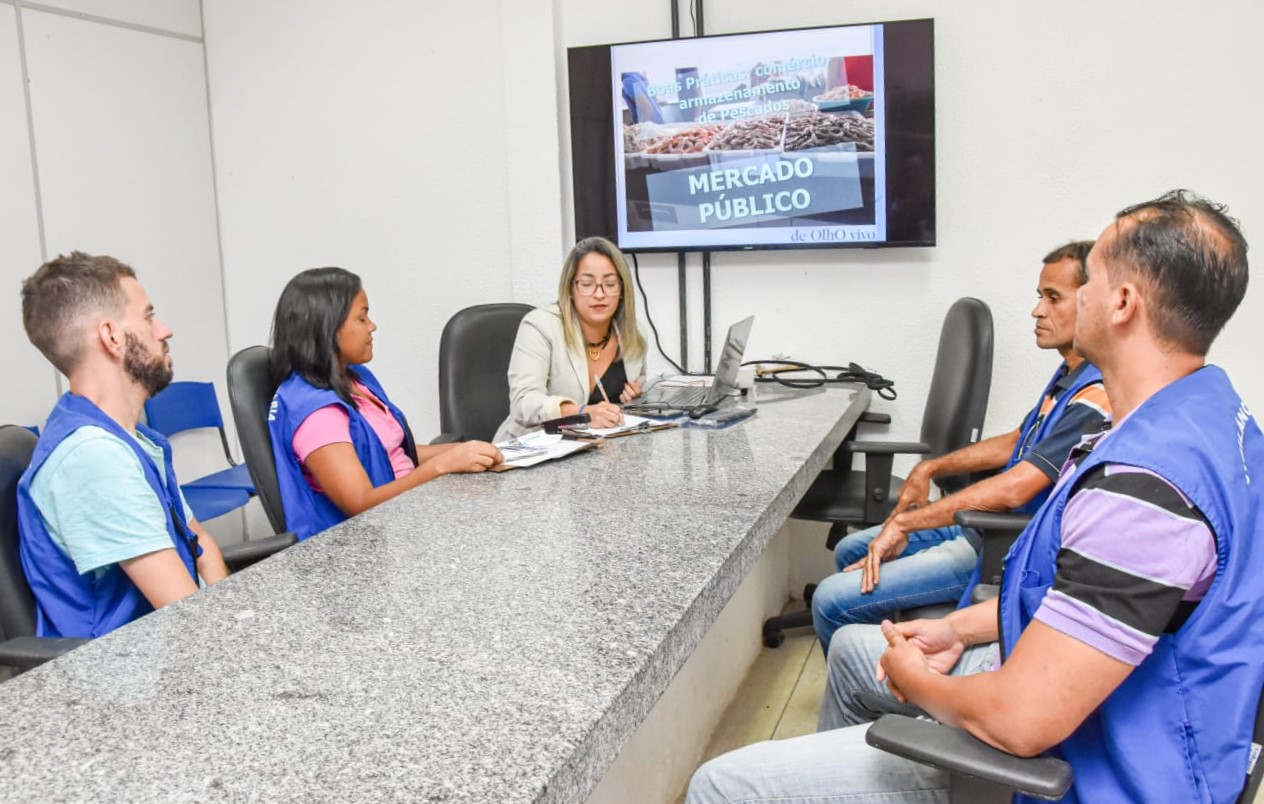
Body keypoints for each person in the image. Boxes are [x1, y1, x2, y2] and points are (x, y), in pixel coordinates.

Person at [687, 189, 1260, 804]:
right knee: (857, 656)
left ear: (1122, 303)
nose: (1077, 295)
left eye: (1089, 279)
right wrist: (961, 627)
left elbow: (1019, 721)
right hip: (1104, 702)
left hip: (1086, 770)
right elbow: (1109, 605)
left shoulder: (1146, 489)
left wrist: (915, 677)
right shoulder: (1211, 417)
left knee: (721, 784)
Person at [810, 242, 1109, 653]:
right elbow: (1018, 440)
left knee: (829, 602)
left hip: (1003, 546)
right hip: (982, 525)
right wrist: (928, 469)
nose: (1036, 311)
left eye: (1052, 298)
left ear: (1095, 303)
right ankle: (884, 663)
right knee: (852, 548)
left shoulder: (1097, 393)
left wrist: (907, 523)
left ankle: (874, 683)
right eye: (1039, 297)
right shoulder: (1071, 371)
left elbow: (1013, 489)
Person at [16, 252, 229, 638]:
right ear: (111, 336)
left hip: (171, 646)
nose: (164, 330)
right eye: (148, 316)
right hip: (126, 680)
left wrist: (232, 620)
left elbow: (203, 546)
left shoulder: (131, 439)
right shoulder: (92, 458)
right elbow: (186, 615)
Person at [268, 267, 502, 541]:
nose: (372, 326)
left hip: (405, 516)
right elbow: (361, 504)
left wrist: (468, 452)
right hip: (361, 545)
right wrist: (442, 465)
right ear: (328, 327)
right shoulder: (317, 413)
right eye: (361, 317)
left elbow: (384, 451)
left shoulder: (354, 379)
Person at [495, 237, 648, 441]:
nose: (599, 294)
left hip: (594, 454)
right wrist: (582, 412)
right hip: (530, 450)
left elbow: (639, 384)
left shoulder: (634, 333)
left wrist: (632, 398)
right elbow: (524, 404)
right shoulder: (540, 326)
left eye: (610, 284)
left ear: (622, 290)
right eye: (587, 284)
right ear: (570, 289)